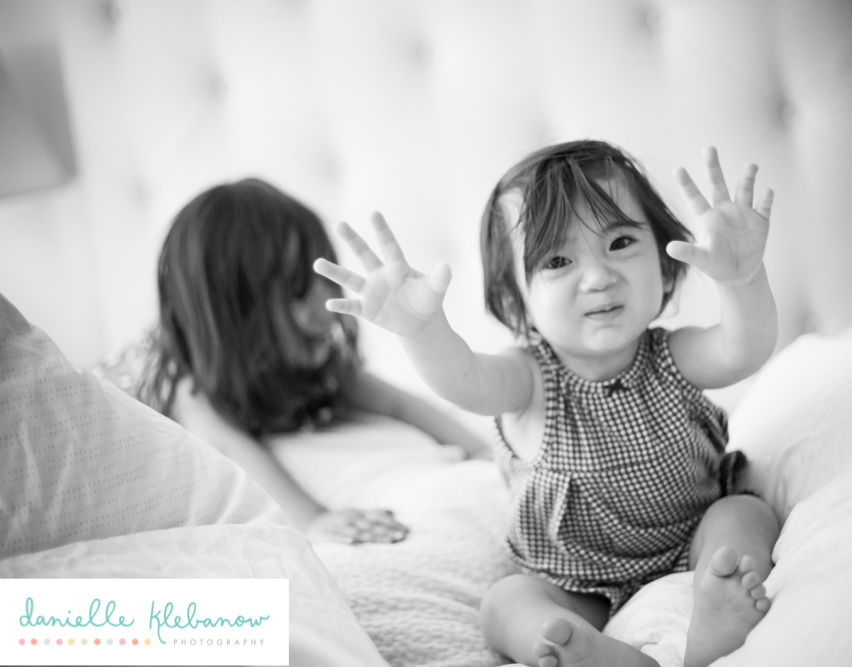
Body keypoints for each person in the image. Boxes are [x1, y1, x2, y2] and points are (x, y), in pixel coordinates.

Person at [314, 141, 781, 667]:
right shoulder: (529, 379)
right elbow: (464, 380)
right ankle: (589, 652)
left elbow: (744, 349)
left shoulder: (673, 355)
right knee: (505, 603)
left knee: (744, 514)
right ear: (516, 300)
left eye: (621, 242)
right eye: (558, 260)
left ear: (665, 263)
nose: (599, 277)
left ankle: (715, 608)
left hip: (694, 536)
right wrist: (422, 332)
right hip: (575, 580)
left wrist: (743, 282)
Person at [139, 177, 491, 545]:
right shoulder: (191, 393)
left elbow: (397, 404)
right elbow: (234, 451)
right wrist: (314, 519)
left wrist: (480, 450)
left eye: (326, 281)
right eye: (298, 292)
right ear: (235, 315)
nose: (327, 305)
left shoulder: (319, 366)